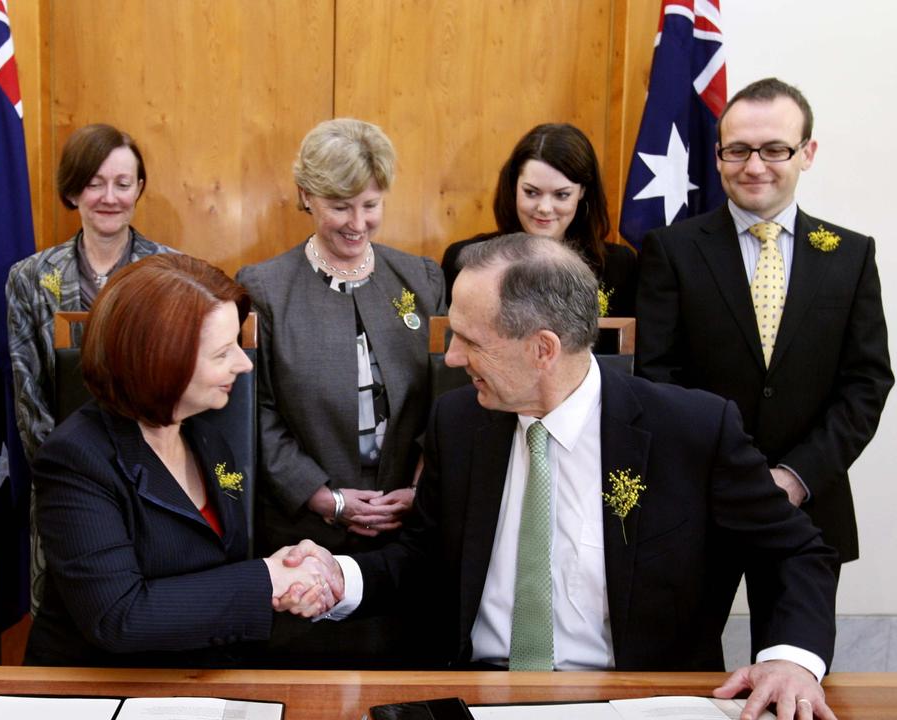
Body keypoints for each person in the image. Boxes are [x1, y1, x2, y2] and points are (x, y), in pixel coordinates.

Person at [288, 234, 840, 719]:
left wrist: (792, 662)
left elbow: (797, 552)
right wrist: (344, 578)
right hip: (475, 693)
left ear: (543, 349)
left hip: (637, 700)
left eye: (470, 340)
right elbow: (423, 556)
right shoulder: (458, 423)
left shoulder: (691, 431)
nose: (452, 359)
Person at [635, 78, 893, 580]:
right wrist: (720, 473)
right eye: (738, 150)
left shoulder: (850, 256)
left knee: (794, 656)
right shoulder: (672, 251)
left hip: (809, 508)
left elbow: (866, 383)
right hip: (697, 504)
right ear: (717, 155)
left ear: (807, 152)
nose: (754, 166)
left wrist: (797, 476)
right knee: (681, 659)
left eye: (775, 149)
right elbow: (655, 377)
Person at [24, 254, 334, 667]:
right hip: (101, 692)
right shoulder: (75, 459)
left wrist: (292, 573)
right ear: (160, 362)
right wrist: (266, 579)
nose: (243, 365)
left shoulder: (206, 434)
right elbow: (119, 616)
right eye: (223, 353)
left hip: (200, 678)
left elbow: (224, 567)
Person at [235, 118, 445, 664]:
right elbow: (256, 415)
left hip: (407, 541)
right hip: (304, 544)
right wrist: (327, 499)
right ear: (306, 195)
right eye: (340, 206)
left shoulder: (420, 281)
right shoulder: (264, 289)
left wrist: (421, 485)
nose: (358, 223)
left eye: (370, 205)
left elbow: (447, 396)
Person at [7, 123, 176, 463]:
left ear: (138, 188)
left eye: (123, 184)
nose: (110, 198)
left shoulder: (175, 274)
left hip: (156, 473)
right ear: (72, 191)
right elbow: (29, 398)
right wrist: (69, 471)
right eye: (95, 184)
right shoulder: (29, 278)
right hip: (63, 475)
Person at [440, 123, 638, 316]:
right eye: (531, 192)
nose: (544, 208)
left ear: (583, 192)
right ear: (513, 187)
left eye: (561, 195)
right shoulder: (465, 260)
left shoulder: (618, 267)